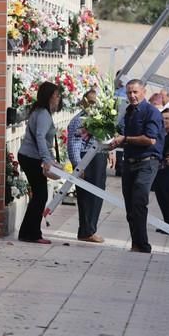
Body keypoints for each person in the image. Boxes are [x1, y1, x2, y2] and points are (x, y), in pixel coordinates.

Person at [110, 79, 164, 253]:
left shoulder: (152, 112)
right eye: (129, 93)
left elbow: (150, 139)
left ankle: (143, 245)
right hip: (129, 162)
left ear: (143, 92)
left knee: (139, 202)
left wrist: (124, 140)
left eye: (135, 92)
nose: (132, 96)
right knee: (130, 206)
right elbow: (124, 135)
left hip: (147, 162)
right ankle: (136, 243)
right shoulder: (129, 112)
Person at [17, 81, 61, 244]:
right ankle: (33, 234)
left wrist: (49, 158)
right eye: (56, 96)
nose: (58, 99)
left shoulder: (40, 112)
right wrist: (46, 159)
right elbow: (40, 137)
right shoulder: (43, 114)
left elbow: (43, 140)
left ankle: (27, 232)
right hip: (31, 157)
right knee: (40, 196)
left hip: (29, 156)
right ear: (50, 97)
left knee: (39, 195)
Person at [67, 90, 106, 243]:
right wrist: (78, 164)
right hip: (86, 159)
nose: (93, 105)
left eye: (95, 102)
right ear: (84, 102)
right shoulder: (80, 120)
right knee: (87, 196)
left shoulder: (99, 118)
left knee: (97, 195)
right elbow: (73, 144)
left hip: (97, 158)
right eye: (90, 102)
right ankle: (86, 231)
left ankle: (90, 229)